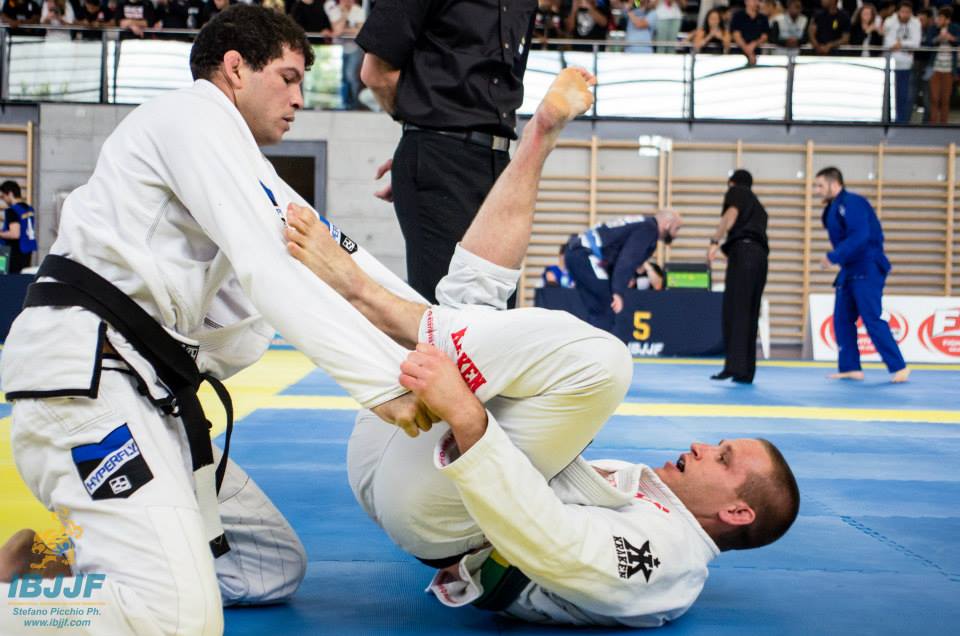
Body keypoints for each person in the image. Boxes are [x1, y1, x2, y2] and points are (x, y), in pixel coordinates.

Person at [281, 68, 800, 627]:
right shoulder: (648, 492)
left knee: (605, 365)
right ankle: (538, 139)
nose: (700, 446)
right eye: (718, 443)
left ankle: (365, 293)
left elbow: (549, 541)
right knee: (474, 310)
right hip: (406, 457)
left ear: (737, 510)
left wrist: (465, 412)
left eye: (721, 458)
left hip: (435, 517)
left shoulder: (669, 566)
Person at [0, 6, 431, 635]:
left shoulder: (245, 168)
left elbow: (336, 261)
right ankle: (41, 596)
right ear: (235, 68)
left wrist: (443, 335)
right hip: (90, 387)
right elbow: (270, 269)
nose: (298, 98)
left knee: (267, 569)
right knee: (179, 621)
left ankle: (63, 560)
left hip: (155, 403)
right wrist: (380, 382)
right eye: (287, 77)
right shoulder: (192, 116)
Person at [357, 0, 538, 306]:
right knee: (448, 320)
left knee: (499, 313)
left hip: (499, 163)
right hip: (437, 156)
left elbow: (500, 90)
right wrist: (426, 137)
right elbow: (376, 73)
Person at [814, 166, 910, 383]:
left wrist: (834, 256)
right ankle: (850, 367)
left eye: (820, 185)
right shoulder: (833, 208)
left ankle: (899, 367)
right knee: (841, 319)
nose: (817, 190)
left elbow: (861, 235)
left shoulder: (852, 203)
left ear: (834, 183)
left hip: (867, 267)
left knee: (871, 317)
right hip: (849, 270)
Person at [564, 211, 681, 331]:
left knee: (598, 308)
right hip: (584, 254)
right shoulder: (649, 229)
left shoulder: (643, 223)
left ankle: (591, 344)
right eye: (676, 228)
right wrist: (618, 292)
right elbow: (627, 260)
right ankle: (598, 347)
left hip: (576, 251)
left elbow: (618, 256)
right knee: (606, 307)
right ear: (667, 224)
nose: (676, 234)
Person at [707, 169, 768, 384]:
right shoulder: (758, 208)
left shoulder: (737, 192)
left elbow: (730, 216)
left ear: (732, 182)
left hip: (744, 255)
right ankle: (744, 370)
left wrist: (715, 240)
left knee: (735, 310)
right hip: (759, 259)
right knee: (750, 312)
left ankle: (733, 367)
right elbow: (748, 239)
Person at [883, 0, 922, 123]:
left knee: (903, 96)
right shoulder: (889, 22)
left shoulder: (916, 23)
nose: (905, 14)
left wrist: (900, 44)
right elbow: (888, 43)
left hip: (905, 65)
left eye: (908, 12)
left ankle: (901, 123)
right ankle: (887, 121)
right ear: (898, 12)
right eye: (903, 12)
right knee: (888, 96)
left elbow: (916, 44)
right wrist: (906, 46)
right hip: (890, 64)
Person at [327, 0, 365, 110]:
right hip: (338, 49)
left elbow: (360, 32)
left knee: (351, 75)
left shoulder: (359, 10)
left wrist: (344, 30)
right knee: (343, 78)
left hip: (355, 49)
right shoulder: (334, 10)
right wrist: (344, 15)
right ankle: (345, 103)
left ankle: (356, 103)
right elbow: (337, 32)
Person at [926, 6, 960, 123]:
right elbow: (928, 43)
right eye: (938, 18)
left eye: (941, 18)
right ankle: (933, 123)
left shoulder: (955, 28)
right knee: (934, 98)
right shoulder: (933, 29)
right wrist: (939, 38)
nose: (938, 20)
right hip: (935, 68)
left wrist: (950, 38)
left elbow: (958, 41)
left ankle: (944, 124)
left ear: (947, 19)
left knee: (945, 99)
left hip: (949, 70)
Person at [0, 181, 37, 274]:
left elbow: (15, 234)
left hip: (12, 252)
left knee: (7, 281)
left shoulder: (12, 210)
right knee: (21, 279)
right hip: (27, 251)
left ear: (10, 194)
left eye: (3, 196)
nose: (3, 200)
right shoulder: (29, 209)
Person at [730, 0, 770, 65]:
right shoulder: (738, 16)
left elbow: (765, 36)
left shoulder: (763, 18)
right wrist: (749, 52)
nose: (756, 2)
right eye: (753, 0)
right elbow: (736, 35)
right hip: (739, 54)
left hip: (758, 54)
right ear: (746, 2)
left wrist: (754, 44)